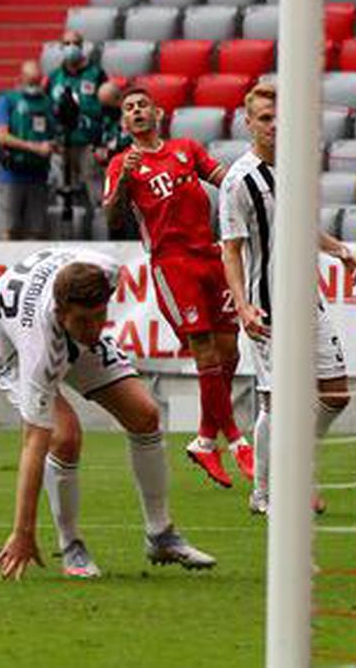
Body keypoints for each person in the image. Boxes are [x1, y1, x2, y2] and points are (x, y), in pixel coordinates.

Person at [0, 248, 216, 580]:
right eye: (83, 320)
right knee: (64, 437)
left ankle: (160, 534)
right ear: (61, 312)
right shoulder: (40, 347)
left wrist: (84, 327)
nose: (94, 329)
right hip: (10, 351)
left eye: (100, 316)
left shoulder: (107, 272)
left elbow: (89, 322)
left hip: (61, 332)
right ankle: (71, 545)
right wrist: (23, 531)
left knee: (145, 415)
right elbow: (34, 441)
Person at [103, 87, 254, 490]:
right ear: (124, 123)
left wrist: (254, 189)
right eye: (129, 109)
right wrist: (124, 181)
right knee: (203, 345)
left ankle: (206, 439)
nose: (136, 112)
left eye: (142, 106)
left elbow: (226, 180)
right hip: (172, 264)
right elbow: (112, 217)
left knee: (229, 349)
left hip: (211, 255)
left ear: (158, 112)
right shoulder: (123, 163)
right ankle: (237, 441)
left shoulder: (187, 149)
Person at [219, 83, 356, 515]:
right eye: (264, 117)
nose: (274, 124)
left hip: (308, 300)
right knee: (275, 401)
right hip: (267, 307)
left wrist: (340, 250)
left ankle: (293, 469)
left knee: (336, 394)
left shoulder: (295, 167)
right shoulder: (238, 180)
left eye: (279, 116)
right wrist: (242, 305)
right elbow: (231, 248)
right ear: (249, 123)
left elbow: (297, 227)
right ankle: (265, 492)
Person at [47, 30, 106, 239]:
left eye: (75, 43)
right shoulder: (54, 78)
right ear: (61, 48)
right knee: (65, 195)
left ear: (82, 47)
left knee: (97, 195)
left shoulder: (96, 74)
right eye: (67, 43)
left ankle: (104, 237)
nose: (71, 47)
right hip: (63, 145)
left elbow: (107, 109)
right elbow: (47, 111)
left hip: (88, 144)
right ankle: (67, 238)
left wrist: (101, 142)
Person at [0, 60, 56, 240]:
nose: (34, 85)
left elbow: (52, 132)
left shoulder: (46, 102)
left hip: (38, 174)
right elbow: (2, 136)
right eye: (30, 81)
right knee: (10, 229)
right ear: (20, 79)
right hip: (11, 174)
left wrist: (51, 146)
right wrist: (35, 148)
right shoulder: (8, 99)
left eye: (37, 81)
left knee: (37, 231)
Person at [93, 81, 135, 240]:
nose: (104, 109)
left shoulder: (132, 116)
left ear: (118, 100)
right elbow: (102, 143)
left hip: (133, 178)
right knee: (113, 222)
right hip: (112, 176)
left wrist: (110, 150)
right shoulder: (106, 120)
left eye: (107, 104)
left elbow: (125, 142)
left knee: (130, 225)